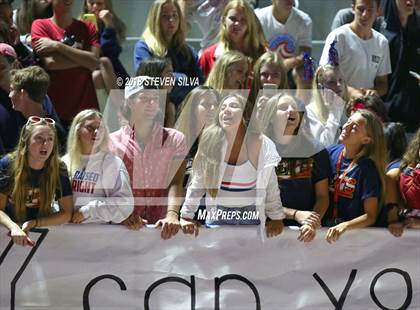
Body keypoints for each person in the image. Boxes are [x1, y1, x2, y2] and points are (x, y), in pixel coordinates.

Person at [180, 93, 284, 237]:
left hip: (251, 215)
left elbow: (271, 184)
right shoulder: (210, 142)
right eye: (222, 108)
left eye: (233, 106)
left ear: (245, 115)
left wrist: (276, 217)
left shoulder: (260, 143)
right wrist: (186, 216)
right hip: (218, 215)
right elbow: (197, 184)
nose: (226, 110)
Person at [110, 76, 187, 239]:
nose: (152, 104)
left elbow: (176, 181)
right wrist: (122, 215)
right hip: (123, 230)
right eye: (144, 98)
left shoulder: (175, 139)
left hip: (163, 229)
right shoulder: (111, 142)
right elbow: (108, 188)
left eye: (155, 98)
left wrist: (172, 214)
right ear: (130, 102)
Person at [258, 93, 330, 242]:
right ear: (271, 117)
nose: (291, 110)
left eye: (295, 108)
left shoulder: (316, 149)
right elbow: (256, 197)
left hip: (305, 232)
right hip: (268, 229)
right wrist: (295, 214)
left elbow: (322, 196)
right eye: (283, 107)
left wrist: (312, 222)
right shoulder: (258, 150)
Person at [0, 117, 73, 246]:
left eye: (50, 138)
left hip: (40, 230)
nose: (45, 144)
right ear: (26, 140)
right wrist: (13, 227)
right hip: (7, 231)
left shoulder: (59, 167)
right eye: (39, 138)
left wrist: (35, 222)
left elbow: (66, 213)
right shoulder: (8, 164)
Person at [31, 0, 100, 129]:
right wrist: (84, 59)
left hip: (87, 112)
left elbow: (95, 62)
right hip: (56, 112)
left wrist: (57, 46)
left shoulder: (88, 27)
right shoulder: (40, 25)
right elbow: (51, 63)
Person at [62, 109, 134, 225]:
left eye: (100, 128)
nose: (96, 132)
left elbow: (125, 204)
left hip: (100, 235)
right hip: (66, 233)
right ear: (77, 131)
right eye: (90, 128)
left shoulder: (112, 163)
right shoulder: (65, 162)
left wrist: (88, 210)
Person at [324, 109, 386, 243]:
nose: (347, 126)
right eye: (348, 121)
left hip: (351, 238)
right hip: (323, 232)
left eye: (355, 128)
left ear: (366, 139)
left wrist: (345, 225)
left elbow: (370, 216)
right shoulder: (329, 152)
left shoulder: (367, 169)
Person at [133, 0, 203, 105]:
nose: (171, 20)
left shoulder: (188, 51)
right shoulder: (144, 47)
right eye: (165, 16)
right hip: (155, 108)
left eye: (175, 15)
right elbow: (149, 81)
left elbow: (199, 84)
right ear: (155, 19)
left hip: (185, 108)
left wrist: (172, 79)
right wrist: (183, 78)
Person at [319, 0, 391, 98]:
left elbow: (382, 83)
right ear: (353, 8)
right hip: (337, 102)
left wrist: (374, 92)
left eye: (370, 10)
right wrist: (352, 92)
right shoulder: (338, 36)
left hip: (364, 106)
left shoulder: (382, 42)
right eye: (361, 9)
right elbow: (325, 75)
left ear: (378, 11)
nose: (365, 15)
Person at [381, 0, 420, 135]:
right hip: (387, 118)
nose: (410, 1)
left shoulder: (416, 32)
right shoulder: (382, 34)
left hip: (414, 118)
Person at [199, 0, 266, 77]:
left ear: (249, 24)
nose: (237, 24)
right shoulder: (208, 56)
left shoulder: (261, 54)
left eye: (243, 20)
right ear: (224, 20)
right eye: (233, 19)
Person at [255, 0, 312, 89]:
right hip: (265, 65)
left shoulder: (304, 20)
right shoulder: (259, 17)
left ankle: (301, 103)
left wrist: (288, 63)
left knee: (305, 72)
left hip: (291, 68)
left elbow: (305, 54)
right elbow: (257, 50)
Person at [81, 0, 128, 94]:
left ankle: (119, 105)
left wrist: (109, 26)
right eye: (91, 3)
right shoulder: (79, 25)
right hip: (88, 70)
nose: (95, 7)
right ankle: (119, 105)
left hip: (114, 71)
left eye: (99, 3)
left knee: (104, 62)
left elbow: (109, 54)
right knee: (97, 75)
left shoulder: (115, 24)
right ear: (86, 4)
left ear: (107, 5)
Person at [174, 85, 219, 184]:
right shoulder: (176, 141)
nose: (213, 108)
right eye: (206, 104)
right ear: (192, 109)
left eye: (216, 104)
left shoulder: (222, 141)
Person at [306, 64, 349, 147]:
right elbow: (324, 146)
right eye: (331, 82)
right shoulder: (309, 112)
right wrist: (334, 112)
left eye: (340, 80)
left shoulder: (349, 109)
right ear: (320, 88)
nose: (339, 85)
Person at [247, 51, 288, 121]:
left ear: (282, 77)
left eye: (275, 75)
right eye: (264, 74)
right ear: (257, 76)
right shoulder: (246, 104)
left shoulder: (291, 105)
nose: (270, 79)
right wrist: (258, 115)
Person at [136, 57, 176, 128]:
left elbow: (169, 137)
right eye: (169, 73)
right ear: (155, 76)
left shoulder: (169, 107)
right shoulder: (137, 106)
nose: (173, 77)